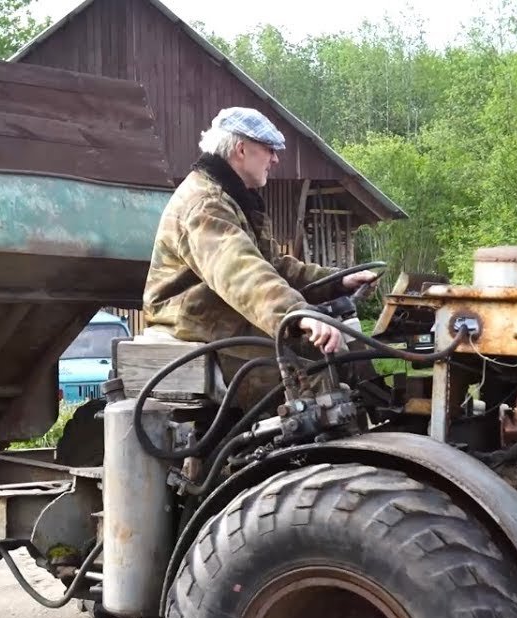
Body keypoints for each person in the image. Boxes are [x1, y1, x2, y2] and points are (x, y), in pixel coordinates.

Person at [141, 107, 380, 411]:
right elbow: (241, 272)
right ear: (242, 150)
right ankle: (312, 456)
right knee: (312, 369)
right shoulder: (206, 204)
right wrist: (297, 314)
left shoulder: (233, 197)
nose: (275, 159)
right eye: (269, 150)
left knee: (341, 352)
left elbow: (273, 266)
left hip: (219, 318)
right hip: (191, 323)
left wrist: (337, 281)